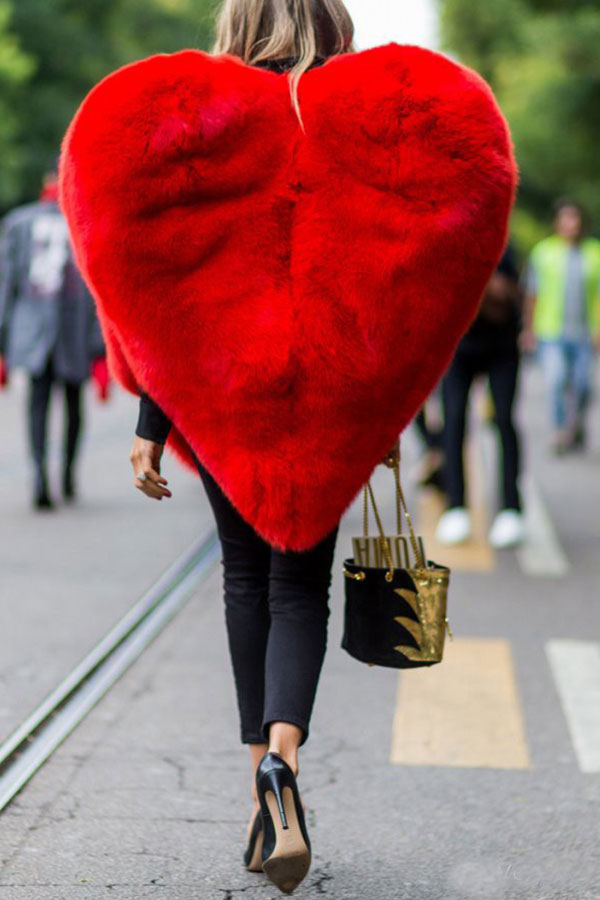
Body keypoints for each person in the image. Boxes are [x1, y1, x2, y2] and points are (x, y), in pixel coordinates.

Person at [59, 1, 517, 891]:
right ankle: (284, 760)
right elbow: (426, 247)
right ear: (330, 25)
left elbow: (150, 269)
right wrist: (387, 394)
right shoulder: (365, 121)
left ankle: (258, 789)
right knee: (301, 585)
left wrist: (151, 423)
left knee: (244, 578)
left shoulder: (197, 118)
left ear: (240, 22)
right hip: (327, 399)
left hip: (222, 396)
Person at [0, 163, 106, 508]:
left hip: (34, 332)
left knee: (38, 403)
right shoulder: (86, 224)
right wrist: (99, 347)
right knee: (72, 404)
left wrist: (3, 341)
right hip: (72, 332)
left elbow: (7, 288)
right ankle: (66, 475)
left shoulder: (18, 223)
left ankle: (40, 475)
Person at [436, 247, 525, 548]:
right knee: (454, 422)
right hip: (458, 347)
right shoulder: (451, 246)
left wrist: (495, 289)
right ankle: (455, 506)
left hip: (502, 348)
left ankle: (511, 509)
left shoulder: (504, 248)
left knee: (503, 420)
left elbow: (512, 294)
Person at [521, 200, 600, 453]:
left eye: (575, 219)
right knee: (556, 380)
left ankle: (576, 425)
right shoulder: (544, 252)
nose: (571, 224)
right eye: (566, 219)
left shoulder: (594, 253)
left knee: (582, 385)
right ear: (556, 222)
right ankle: (559, 430)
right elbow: (532, 294)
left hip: (584, 332)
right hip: (551, 332)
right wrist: (528, 329)